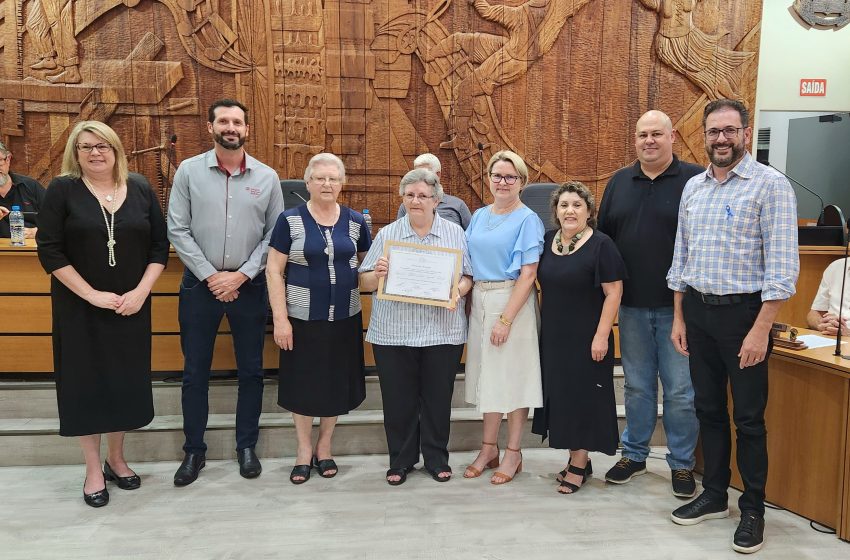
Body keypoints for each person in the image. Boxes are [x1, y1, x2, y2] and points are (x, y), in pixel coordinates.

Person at [667, 99, 799, 554]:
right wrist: (680, 316)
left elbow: (782, 269)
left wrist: (761, 330)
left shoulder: (771, 187)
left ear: (746, 132)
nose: (720, 139)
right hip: (699, 315)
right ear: (703, 136)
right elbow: (681, 258)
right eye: (712, 132)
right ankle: (715, 495)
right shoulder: (693, 188)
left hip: (745, 318)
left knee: (749, 419)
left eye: (729, 130)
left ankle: (754, 509)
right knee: (708, 410)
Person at [35, 120, 169, 507]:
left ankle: (117, 458)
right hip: (79, 309)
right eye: (86, 147)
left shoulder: (141, 188)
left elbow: (159, 248)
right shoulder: (63, 190)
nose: (95, 153)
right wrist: (91, 294)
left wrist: (141, 292)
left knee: (122, 384)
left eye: (103, 146)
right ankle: (93, 469)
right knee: (85, 386)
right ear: (75, 154)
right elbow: (50, 250)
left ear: (116, 151)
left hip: (131, 306)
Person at [167, 99, 285, 486]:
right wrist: (210, 275)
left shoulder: (267, 178)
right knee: (194, 372)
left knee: (251, 371)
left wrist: (241, 275)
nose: (230, 127)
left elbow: (275, 236)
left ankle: (246, 447)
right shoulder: (188, 171)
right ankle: (193, 452)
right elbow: (177, 229)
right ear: (210, 126)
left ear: (247, 129)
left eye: (237, 121)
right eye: (223, 121)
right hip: (199, 287)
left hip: (248, 288)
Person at [596, 110, 703, 497]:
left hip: (681, 309)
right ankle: (635, 454)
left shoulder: (695, 180)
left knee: (679, 391)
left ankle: (681, 463)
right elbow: (603, 240)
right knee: (637, 387)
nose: (649, 141)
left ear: (672, 136)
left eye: (657, 134)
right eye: (642, 134)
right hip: (632, 306)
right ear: (635, 139)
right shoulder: (619, 182)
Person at [359, 168, 473, 485]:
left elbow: (468, 277)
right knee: (398, 400)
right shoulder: (387, 235)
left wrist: (457, 291)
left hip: (442, 331)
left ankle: (436, 459)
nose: (416, 201)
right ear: (402, 198)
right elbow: (363, 281)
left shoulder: (455, 234)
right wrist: (377, 272)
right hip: (394, 332)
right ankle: (401, 460)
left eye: (423, 195)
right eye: (410, 195)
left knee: (438, 400)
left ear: (436, 200)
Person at [266, 153, 372, 484]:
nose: (327, 184)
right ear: (308, 182)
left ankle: (324, 447)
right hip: (301, 320)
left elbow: (365, 275)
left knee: (335, 385)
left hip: (345, 318)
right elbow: (273, 270)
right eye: (320, 178)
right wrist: (281, 320)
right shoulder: (289, 220)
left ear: (342, 184)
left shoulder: (356, 222)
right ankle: (302, 450)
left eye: (333, 178)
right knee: (303, 386)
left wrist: (385, 274)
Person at [532, 181, 626, 494]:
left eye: (577, 205)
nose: (570, 210)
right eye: (564, 205)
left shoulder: (602, 245)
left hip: (589, 337)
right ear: (556, 212)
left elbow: (614, 293)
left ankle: (578, 462)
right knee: (561, 398)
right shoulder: (548, 241)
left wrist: (602, 336)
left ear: (589, 211)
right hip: (555, 337)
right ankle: (578, 460)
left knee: (582, 399)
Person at [463, 150, 545, 485]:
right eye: (497, 175)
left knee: (514, 379)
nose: (503, 182)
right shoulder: (480, 215)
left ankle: (513, 452)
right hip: (480, 299)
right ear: (489, 178)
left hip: (512, 302)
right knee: (487, 377)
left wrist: (506, 319)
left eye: (510, 176)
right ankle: (488, 448)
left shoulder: (528, 219)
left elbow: (528, 274)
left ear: (522, 182)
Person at [396, 153, 472, 229]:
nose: (419, 179)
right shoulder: (406, 206)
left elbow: (470, 237)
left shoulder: (458, 205)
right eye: (416, 175)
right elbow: (398, 234)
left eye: (424, 175)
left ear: (438, 175)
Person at [0, 141, 46, 238]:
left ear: (8, 159)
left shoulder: (31, 186)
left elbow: (58, 221)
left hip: (31, 251)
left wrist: (37, 232)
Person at [807, 258, 850, 335]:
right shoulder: (836, 267)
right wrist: (822, 324)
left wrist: (848, 333)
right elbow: (813, 314)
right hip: (830, 338)